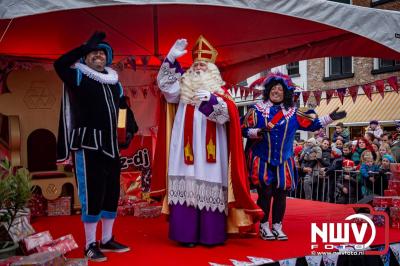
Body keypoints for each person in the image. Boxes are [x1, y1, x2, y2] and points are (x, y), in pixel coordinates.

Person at [152, 36, 262, 247]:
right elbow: (166, 87)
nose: (199, 67)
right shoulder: (182, 88)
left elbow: (227, 119)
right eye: (196, 64)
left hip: (212, 152)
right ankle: (185, 236)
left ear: (212, 69)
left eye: (204, 64)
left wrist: (211, 102)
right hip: (184, 151)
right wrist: (171, 58)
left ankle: (210, 236)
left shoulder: (222, 93)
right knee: (186, 185)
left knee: (210, 185)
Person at [54, 31, 137, 262]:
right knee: (92, 194)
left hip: (112, 147)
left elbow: (123, 111)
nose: (98, 56)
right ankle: (89, 244)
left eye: (101, 53)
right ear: (86, 57)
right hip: (88, 146)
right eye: (93, 52)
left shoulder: (114, 84)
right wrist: (84, 46)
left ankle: (107, 238)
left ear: (107, 58)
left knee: (110, 193)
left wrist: (128, 129)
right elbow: (59, 64)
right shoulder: (78, 77)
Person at [241, 72, 346, 240]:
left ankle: (277, 225)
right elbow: (243, 129)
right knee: (265, 194)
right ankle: (264, 225)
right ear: (268, 91)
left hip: (284, 160)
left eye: (280, 89)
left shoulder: (293, 113)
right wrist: (258, 131)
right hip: (262, 159)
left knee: (281, 194)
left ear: (286, 93)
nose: (276, 91)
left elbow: (313, 125)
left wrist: (330, 118)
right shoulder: (257, 110)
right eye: (273, 88)